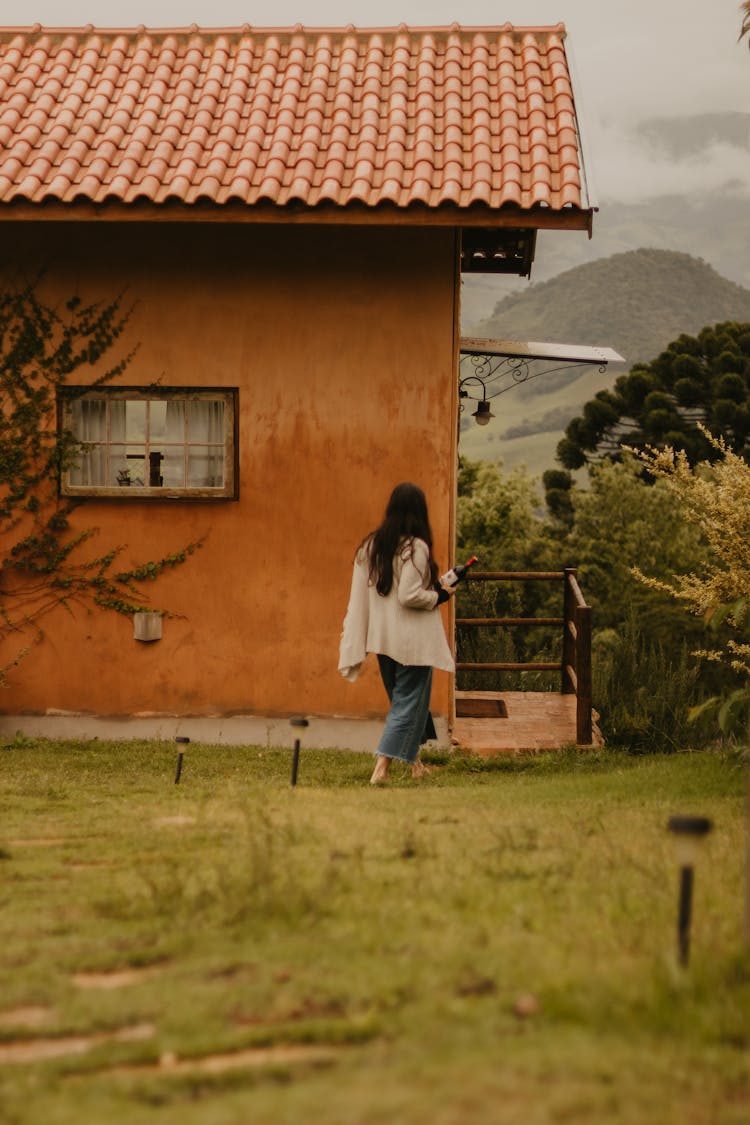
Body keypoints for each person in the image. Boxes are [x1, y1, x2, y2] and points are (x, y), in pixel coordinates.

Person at [338, 482, 456, 784]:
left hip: (382, 641)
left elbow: (361, 597)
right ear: (419, 512)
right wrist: (440, 595)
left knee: (405, 703)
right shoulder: (415, 547)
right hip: (412, 642)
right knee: (408, 703)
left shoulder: (371, 546)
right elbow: (409, 596)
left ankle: (416, 763)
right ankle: (382, 767)